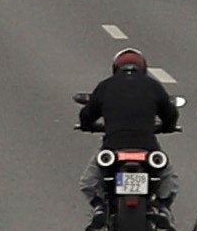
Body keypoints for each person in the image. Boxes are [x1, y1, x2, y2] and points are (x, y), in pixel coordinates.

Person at [77, 48, 181, 221]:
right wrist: (168, 127)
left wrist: (87, 126)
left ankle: (100, 209)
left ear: (115, 68)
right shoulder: (152, 85)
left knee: (89, 180)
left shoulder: (106, 85)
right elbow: (170, 113)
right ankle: (162, 209)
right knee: (167, 176)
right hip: (146, 146)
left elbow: (87, 115)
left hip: (113, 146)